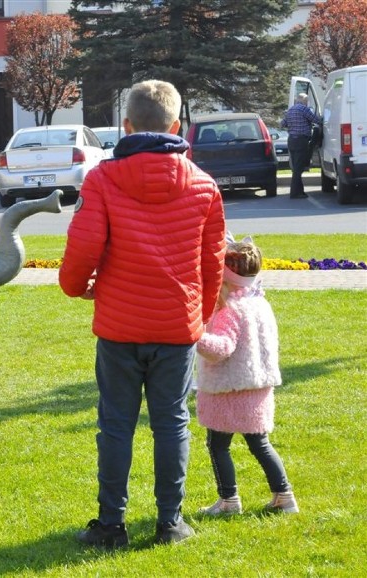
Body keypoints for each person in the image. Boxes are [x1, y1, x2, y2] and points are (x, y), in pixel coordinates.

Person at [59, 79, 226, 548]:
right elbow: (211, 263)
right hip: (176, 326)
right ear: (177, 126)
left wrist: (76, 287)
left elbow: (83, 248)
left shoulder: (103, 178)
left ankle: (111, 523)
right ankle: (169, 522)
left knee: (115, 423)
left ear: (126, 125)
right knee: (171, 422)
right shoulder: (203, 185)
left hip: (119, 326)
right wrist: (202, 314)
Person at [196, 235, 298, 516]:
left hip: (227, 389)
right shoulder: (259, 303)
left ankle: (228, 501)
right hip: (258, 386)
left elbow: (221, 349)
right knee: (260, 444)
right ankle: (284, 496)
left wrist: (196, 336)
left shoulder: (230, 309)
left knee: (218, 445)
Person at [281, 93, 322, 199]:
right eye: (307, 101)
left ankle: (300, 191)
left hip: (291, 141)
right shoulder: (304, 109)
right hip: (301, 141)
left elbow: (282, 124)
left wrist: (293, 125)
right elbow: (316, 120)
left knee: (296, 167)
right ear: (304, 100)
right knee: (298, 169)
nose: (307, 103)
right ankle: (294, 193)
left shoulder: (290, 110)